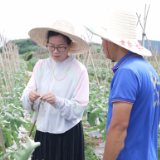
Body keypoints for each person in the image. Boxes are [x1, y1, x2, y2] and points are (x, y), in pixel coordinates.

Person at [85, 8, 160, 160]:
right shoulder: (149, 69)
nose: (101, 45)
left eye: (102, 39)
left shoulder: (127, 72)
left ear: (112, 42)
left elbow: (119, 128)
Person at [21, 19, 89, 160]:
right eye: (51, 46)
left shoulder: (79, 70)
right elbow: (26, 96)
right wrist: (30, 96)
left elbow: (78, 109)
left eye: (61, 47)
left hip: (68, 135)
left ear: (70, 45)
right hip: (43, 133)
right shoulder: (40, 66)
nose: (55, 51)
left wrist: (57, 101)